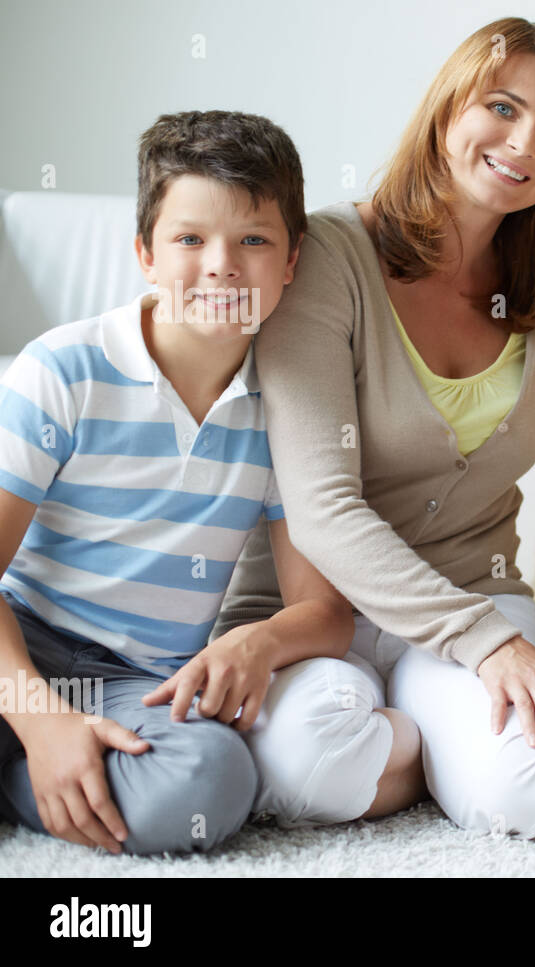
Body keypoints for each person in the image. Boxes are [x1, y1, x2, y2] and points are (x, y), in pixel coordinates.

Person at [214, 18, 535, 836]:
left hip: (481, 589)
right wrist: (482, 643)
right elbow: (322, 509)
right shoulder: (327, 256)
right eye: (500, 107)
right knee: (303, 769)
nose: (522, 143)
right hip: (322, 612)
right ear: (446, 108)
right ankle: (432, 754)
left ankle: (437, 748)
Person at [0, 111, 355, 855]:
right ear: (146, 255)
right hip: (17, 648)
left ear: (292, 261)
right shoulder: (62, 370)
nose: (222, 265)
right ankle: (49, 759)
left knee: (213, 777)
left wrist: (258, 642)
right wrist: (40, 718)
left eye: (253, 240)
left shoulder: (285, 407)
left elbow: (323, 611)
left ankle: (39, 776)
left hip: (142, 682)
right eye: (190, 239)